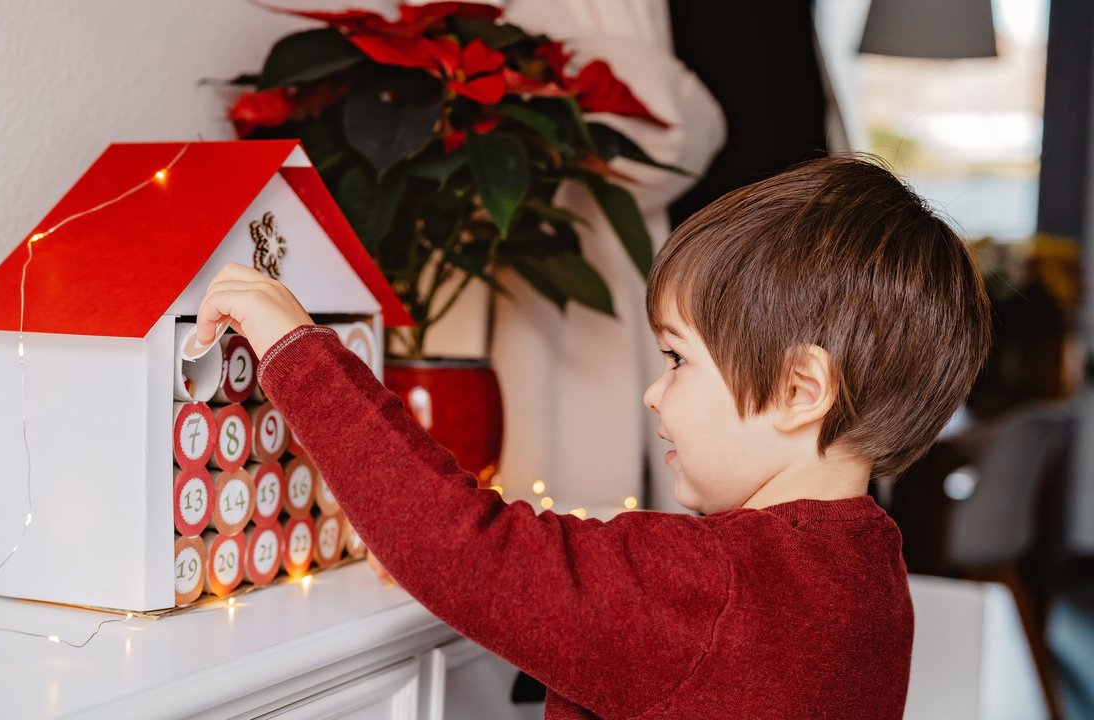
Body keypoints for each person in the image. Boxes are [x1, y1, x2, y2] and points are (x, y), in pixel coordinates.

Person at [193, 156, 992, 719]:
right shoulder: (871, 568)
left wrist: (294, 347)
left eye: (678, 359)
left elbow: (465, 550)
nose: (654, 392)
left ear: (798, 391)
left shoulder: (707, 586)